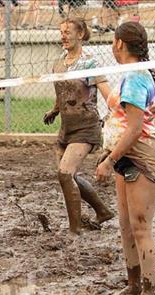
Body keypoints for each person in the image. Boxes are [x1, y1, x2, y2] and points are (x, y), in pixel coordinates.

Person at [96, 21, 155, 295]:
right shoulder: (128, 74)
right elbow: (121, 120)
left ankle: (148, 291)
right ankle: (133, 283)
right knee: (126, 225)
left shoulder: (137, 76)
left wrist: (108, 160)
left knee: (140, 226)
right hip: (125, 156)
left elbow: (136, 128)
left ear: (119, 44)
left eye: (113, 42)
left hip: (143, 158)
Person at [43, 18, 114, 235]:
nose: (63, 36)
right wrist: (54, 111)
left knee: (65, 174)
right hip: (66, 129)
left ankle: (75, 230)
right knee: (67, 176)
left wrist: (115, 112)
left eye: (67, 32)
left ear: (80, 34)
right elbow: (63, 93)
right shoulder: (58, 63)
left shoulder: (90, 63)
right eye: (61, 31)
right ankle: (102, 211)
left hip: (87, 127)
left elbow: (107, 93)